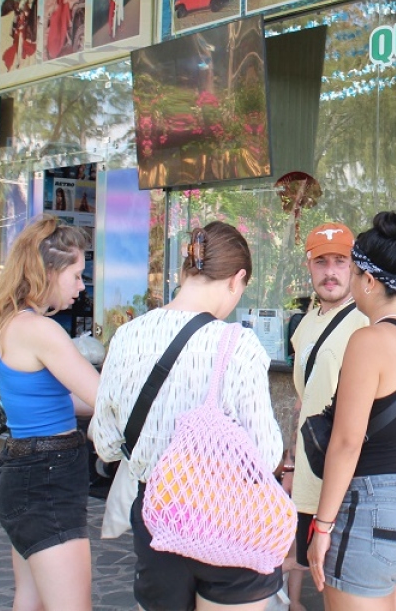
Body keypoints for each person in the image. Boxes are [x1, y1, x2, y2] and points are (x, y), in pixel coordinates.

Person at [91, 222, 284, 611]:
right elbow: (265, 455)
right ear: (238, 279)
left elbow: (107, 444)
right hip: (229, 518)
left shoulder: (128, 336)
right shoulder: (238, 344)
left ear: (183, 273)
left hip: (159, 518)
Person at [307, 208, 396, 609]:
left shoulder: (368, 341)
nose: (349, 281)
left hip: (373, 514)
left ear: (369, 280)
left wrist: (322, 527)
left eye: (352, 272)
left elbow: (347, 442)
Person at [0, 215, 99, 611]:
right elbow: (105, 397)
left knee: (30, 602)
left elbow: (67, 402)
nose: (82, 286)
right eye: (77, 275)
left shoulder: (12, 323)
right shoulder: (40, 329)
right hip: (46, 477)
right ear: (50, 271)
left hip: (27, 473)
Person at [284, 223, 368, 611]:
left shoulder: (366, 323)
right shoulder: (303, 325)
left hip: (346, 484)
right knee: (318, 578)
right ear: (309, 266)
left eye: (340, 261)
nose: (330, 271)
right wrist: (290, 463)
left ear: (354, 266)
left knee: (344, 588)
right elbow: (303, 403)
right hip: (309, 477)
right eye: (322, 262)